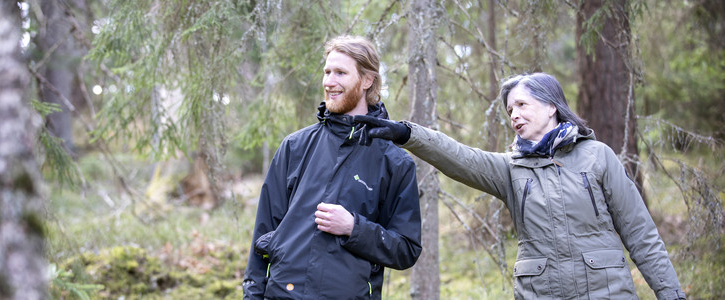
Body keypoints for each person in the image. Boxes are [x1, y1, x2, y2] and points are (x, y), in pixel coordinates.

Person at [355, 72, 686, 299]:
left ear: (552, 106)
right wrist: (406, 133)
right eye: (510, 109)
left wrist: (669, 293)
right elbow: (459, 156)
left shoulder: (598, 157)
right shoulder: (510, 169)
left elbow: (641, 234)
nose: (514, 115)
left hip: (606, 291)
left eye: (522, 105)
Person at [242, 35, 422, 299]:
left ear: (367, 80)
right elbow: (264, 231)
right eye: (327, 72)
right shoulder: (295, 146)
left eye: (340, 72)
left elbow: (406, 249)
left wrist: (354, 228)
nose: (329, 82)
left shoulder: (394, 162)